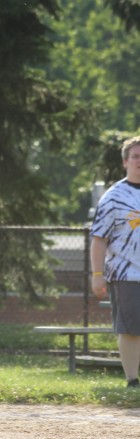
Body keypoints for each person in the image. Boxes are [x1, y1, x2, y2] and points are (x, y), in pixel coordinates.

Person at [90, 136, 140, 388]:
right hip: (126, 274)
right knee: (131, 329)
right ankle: (132, 380)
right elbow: (99, 239)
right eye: (136, 156)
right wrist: (97, 274)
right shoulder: (113, 197)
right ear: (125, 162)